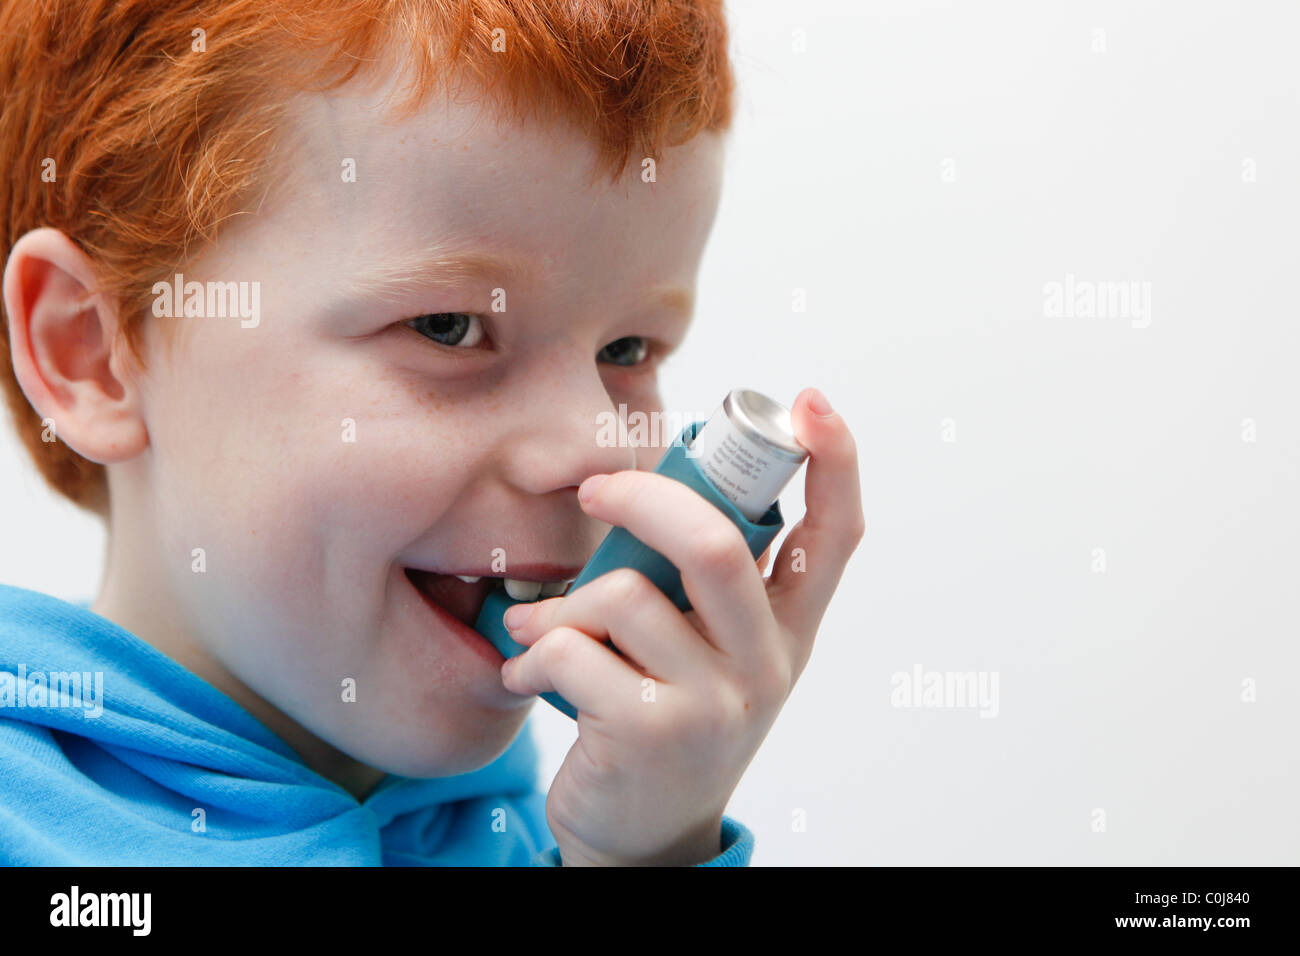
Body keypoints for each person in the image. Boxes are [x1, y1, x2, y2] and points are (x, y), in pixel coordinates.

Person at [0, 0, 865, 865]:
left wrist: (654, 850)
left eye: (627, 349)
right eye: (447, 327)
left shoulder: (558, 825)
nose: (599, 445)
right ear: (92, 353)